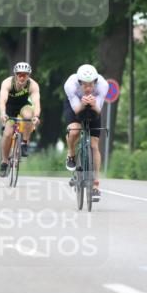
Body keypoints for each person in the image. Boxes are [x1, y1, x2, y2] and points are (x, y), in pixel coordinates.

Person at [63, 63, 108, 201]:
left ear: (96, 81)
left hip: (94, 106)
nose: (88, 88)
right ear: (79, 82)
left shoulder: (103, 86)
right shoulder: (70, 85)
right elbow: (77, 110)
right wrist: (83, 103)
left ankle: (95, 185)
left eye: (91, 84)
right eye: (84, 85)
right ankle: (71, 154)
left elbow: (98, 111)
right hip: (75, 104)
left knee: (94, 144)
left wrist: (93, 104)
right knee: (75, 130)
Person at [0, 61, 41, 177]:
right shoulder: (7, 83)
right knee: (7, 134)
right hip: (10, 108)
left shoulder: (33, 85)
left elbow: (36, 103)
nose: (22, 77)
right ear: (15, 74)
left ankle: (24, 143)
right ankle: (4, 162)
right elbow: (3, 100)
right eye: (19, 74)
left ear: (29, 76)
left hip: (24, 105)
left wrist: (36, 117)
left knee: (28, 117)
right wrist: (3, 114)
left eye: (25, 75)